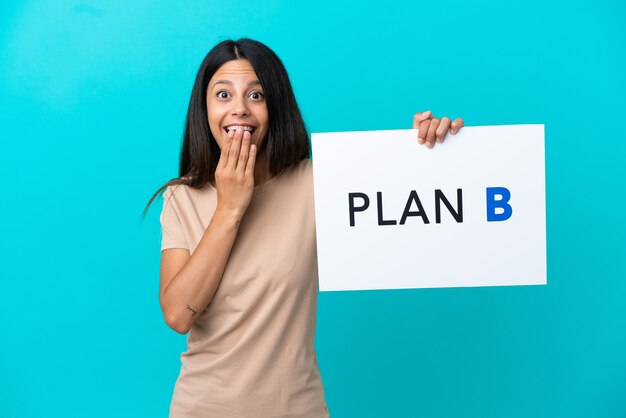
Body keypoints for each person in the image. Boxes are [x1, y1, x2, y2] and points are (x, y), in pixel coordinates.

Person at [144, 38, 463, 418]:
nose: (240, 110)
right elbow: (178, 315)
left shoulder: (319, 184)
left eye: (257, 95)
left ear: (275, 107)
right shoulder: (182, 198)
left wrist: (428, 150)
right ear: (205, 108)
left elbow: (401, 203)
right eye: (223, 94)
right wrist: (230, 207)